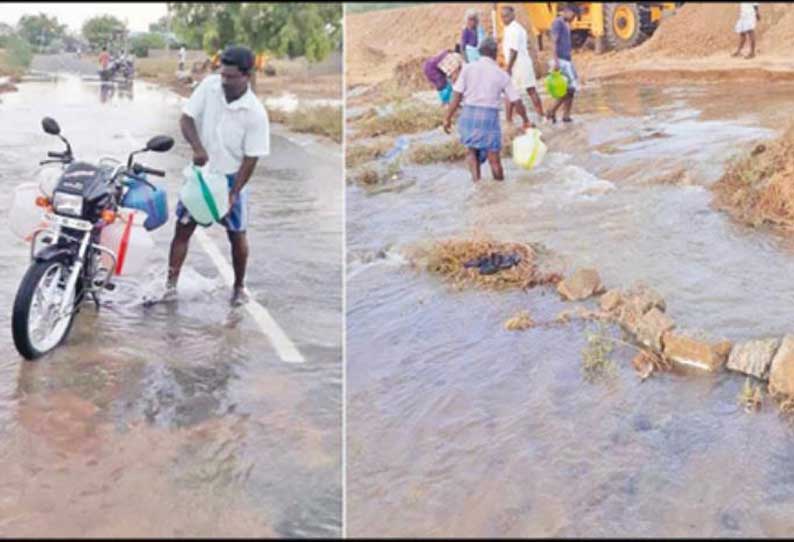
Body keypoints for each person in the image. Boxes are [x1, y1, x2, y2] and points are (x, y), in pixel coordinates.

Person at [166, 45, 270, 306]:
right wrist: (197, 148)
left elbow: (251, 158)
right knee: (183, 228)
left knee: (237, 234)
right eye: (222, 74)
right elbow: (186, 119)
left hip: (231, 178)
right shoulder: (210, 87)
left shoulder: (255, 113)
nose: (224, 81)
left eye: (231, 77)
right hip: (202, 176)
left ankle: (239, 288)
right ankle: (169, 287)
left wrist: (234, 193)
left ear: (247, 75)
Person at [443, 37, 532, 183]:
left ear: (479, 52)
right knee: (494, 159)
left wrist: (447, 118)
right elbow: (516, 101)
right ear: (495, 53)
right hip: (489, 118)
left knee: (472, 152)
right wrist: (526, 120)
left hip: (468, 115)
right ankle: (500, 194)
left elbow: (456, 96)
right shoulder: (501, 74)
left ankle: (477, 185)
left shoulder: (468, 69)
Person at [500, 5, 544, 124]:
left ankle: (509, 120)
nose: (504, 19)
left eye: (506, 16)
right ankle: (540, 115)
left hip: (518, 65)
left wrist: (508, 68)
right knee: (528, 90)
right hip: (520, 64)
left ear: (513, 15)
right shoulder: (508, 28)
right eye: (502, 17)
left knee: (517, 91)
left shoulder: (514, 29)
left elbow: (513, 51)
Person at [546, 4, 580, 124]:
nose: (573, 18)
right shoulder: (558, 23)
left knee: (571, 89)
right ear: (567, 11)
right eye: (573, 15)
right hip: (560, 60)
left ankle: (566, 115)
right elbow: (553, 42)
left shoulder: (565, 24)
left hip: (567, 60)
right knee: (567, 89)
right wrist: (555, 61)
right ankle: (550, 111)